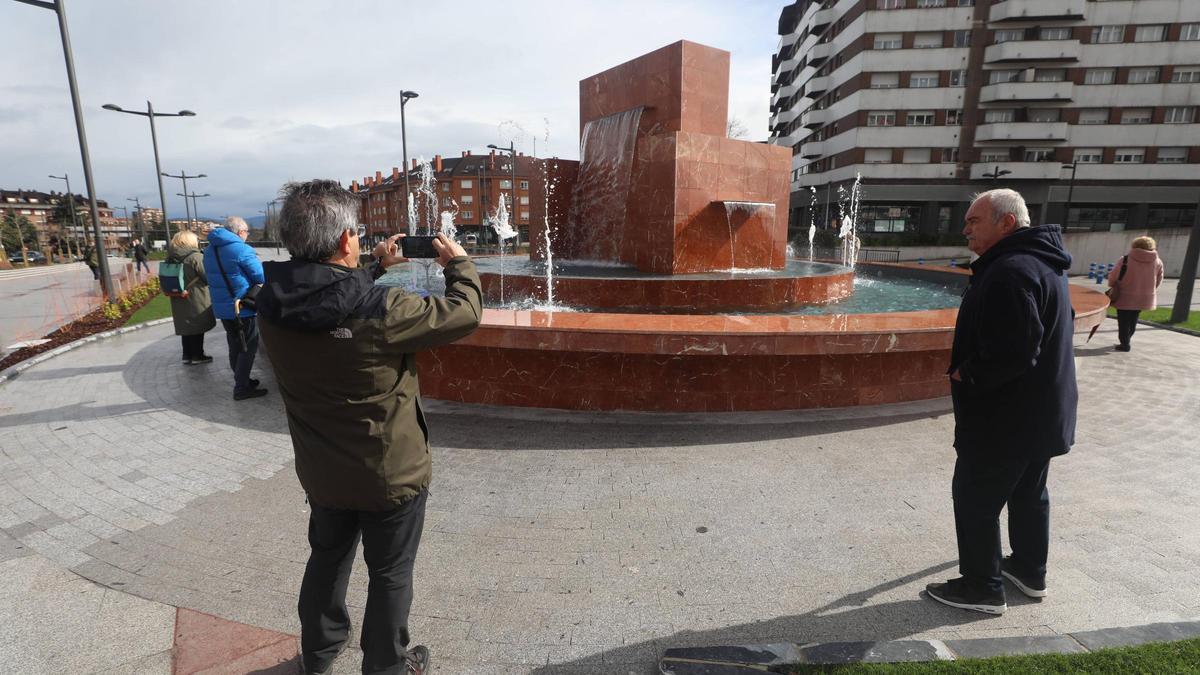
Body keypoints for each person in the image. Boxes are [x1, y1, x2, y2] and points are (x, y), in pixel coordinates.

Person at [256, 180, 481, 675]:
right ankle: (386, 668)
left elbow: (325, 298)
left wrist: (376, 265)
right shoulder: (385, 311)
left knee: (326, 561)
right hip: (388, 473)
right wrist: (458, 263)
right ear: (343, 242)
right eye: (355, 233)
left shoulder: (269, 303)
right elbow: (464, 313)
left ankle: (317, 656)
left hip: (322, 471)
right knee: (389, 573)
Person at [926, 188, 1078, 615]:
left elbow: (1015, 350)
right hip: (1041, 413)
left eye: (974, 221)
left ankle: (981, 587)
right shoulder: (1041, 263)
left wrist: (966, 372)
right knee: (1030, 493)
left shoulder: (1010, 271)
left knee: (975, 498)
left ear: (1006, 222)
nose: (965, 229)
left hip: (1006, 419)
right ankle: (1030, 571)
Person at [204, 216, 267, 400]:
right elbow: (260, 276)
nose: (247, 235)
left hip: (224, 308)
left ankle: (243, 380)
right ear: (240, 232)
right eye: (246, 231)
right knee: (248, 346)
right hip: (243, 307)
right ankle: (241, 388)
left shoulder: (209, 250)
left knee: (235, 345)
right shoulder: (241, 249)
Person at [165, 229, 215, 364]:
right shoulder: (195, 257)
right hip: (195, 296)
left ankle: (186, 355)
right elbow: (207, 276)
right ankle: (198, 355)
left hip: (178, 296)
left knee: (186, 327)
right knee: (197, 325)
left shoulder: (170, 257)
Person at [1107, 236, 1164, 352]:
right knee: (1133, 319)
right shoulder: (1157, 262)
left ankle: (1125, 343)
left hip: (1124, 295)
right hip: (1144, 297)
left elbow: (1113, 276)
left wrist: (1112, 284)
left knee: (1123, 320)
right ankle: (1127, 339)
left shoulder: (1125, 259)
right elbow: (1158, 280)